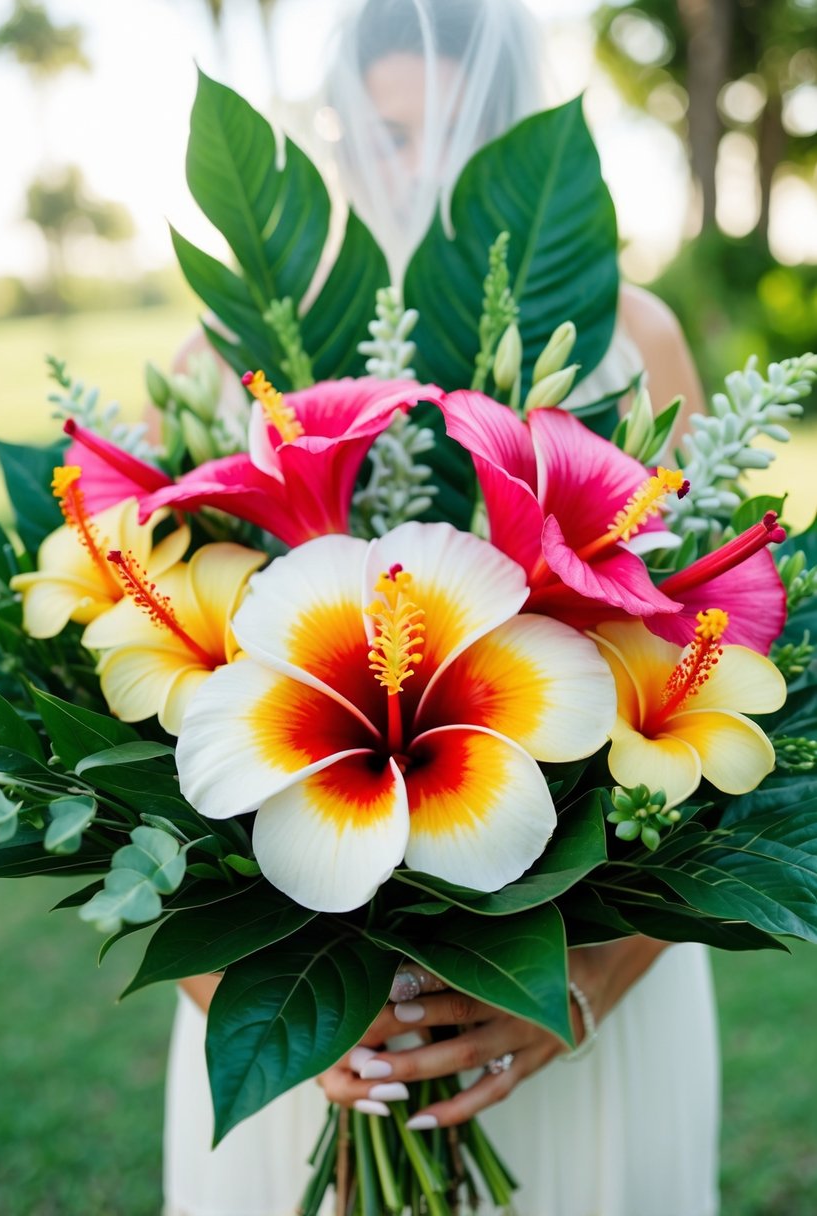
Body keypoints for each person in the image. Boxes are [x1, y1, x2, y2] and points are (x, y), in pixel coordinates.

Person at [163, 3, 719, 1214]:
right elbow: (166, 690)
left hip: (565, 986)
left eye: (452, 141)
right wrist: (256, 1005)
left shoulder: (634, 338)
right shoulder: (246, 353)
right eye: (383, 135)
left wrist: (576, 990)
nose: (407, 176)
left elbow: (703, 692)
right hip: (317, 1004)